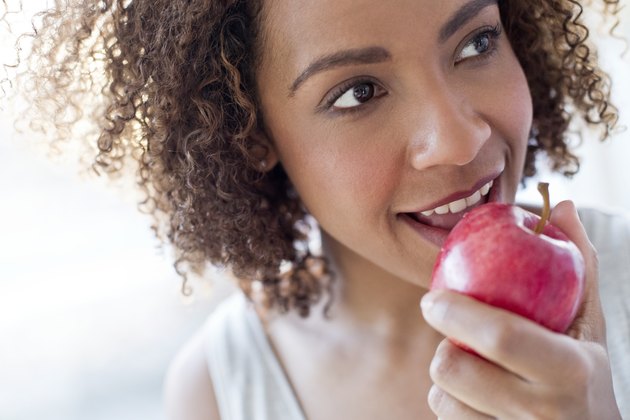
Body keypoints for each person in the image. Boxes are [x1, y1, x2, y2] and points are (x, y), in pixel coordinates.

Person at [7, 0, 629, 418]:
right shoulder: (223, 394)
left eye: (476, 44)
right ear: (250, 133)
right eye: (359, 92)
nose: (460, 138)